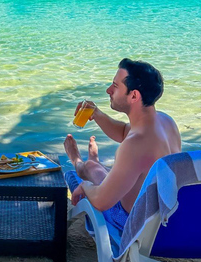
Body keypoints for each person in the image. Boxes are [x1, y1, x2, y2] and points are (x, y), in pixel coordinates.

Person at [64, 58, 181, 231]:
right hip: (163, 218)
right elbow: (123, 132)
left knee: (74, 176)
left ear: (134, 95)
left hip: (133, 223)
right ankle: (91, 164)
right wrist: (96, 113)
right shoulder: (165, 122)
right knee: (96, 170)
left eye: (115, 86)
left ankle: (78, 162)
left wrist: (84, 186)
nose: (108, 90)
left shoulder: (135, 146)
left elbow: (101, 202)